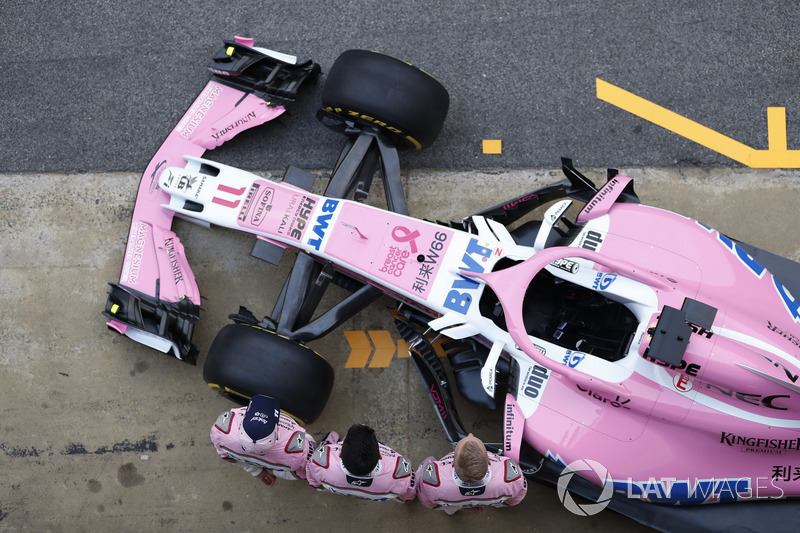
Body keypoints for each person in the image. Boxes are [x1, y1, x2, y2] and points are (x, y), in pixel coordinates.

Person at [210, 395, 315, 486]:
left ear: (239, 428)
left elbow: (227, 457)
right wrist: (272, 472)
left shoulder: (220, 433)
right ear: (277, 436)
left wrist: (258, 472)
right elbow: (303, 473)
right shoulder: (301, 452)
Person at [416, 433, 527, 514]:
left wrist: (463, 507)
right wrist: (497, 502)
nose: (470, 434)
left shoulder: (432, 482)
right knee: (498, 502)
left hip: (451, 500)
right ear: (488, 461)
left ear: (453, 463)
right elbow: (517, 497)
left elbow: (428, 502)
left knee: (449, 508)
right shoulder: (511, 477)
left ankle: (451, 511)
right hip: (494, 497)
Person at [305, 424, 415, 502]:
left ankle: (333, 443)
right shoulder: (400, 474)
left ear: (340, 455)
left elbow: (313, 480)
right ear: (380, 456)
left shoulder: (319, 463)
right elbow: (408, 493)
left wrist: (319, 487)